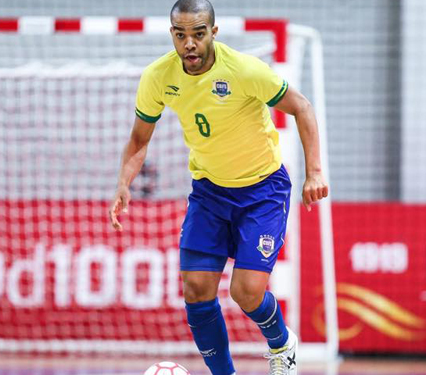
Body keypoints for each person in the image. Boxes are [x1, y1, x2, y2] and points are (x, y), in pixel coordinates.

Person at [109, 0, 328, 374]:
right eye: (181, 35)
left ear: (213, 32)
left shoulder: (243, 70)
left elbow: (303, 107)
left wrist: (315, 172)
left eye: (197, 34)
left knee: (246, 293)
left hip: (262, 191)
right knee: (195, 289)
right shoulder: (158, 77)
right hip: (209, 192)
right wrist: (123, 184)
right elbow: (139, 138)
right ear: (172, 36)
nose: (189, 44)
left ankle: (281, 343)